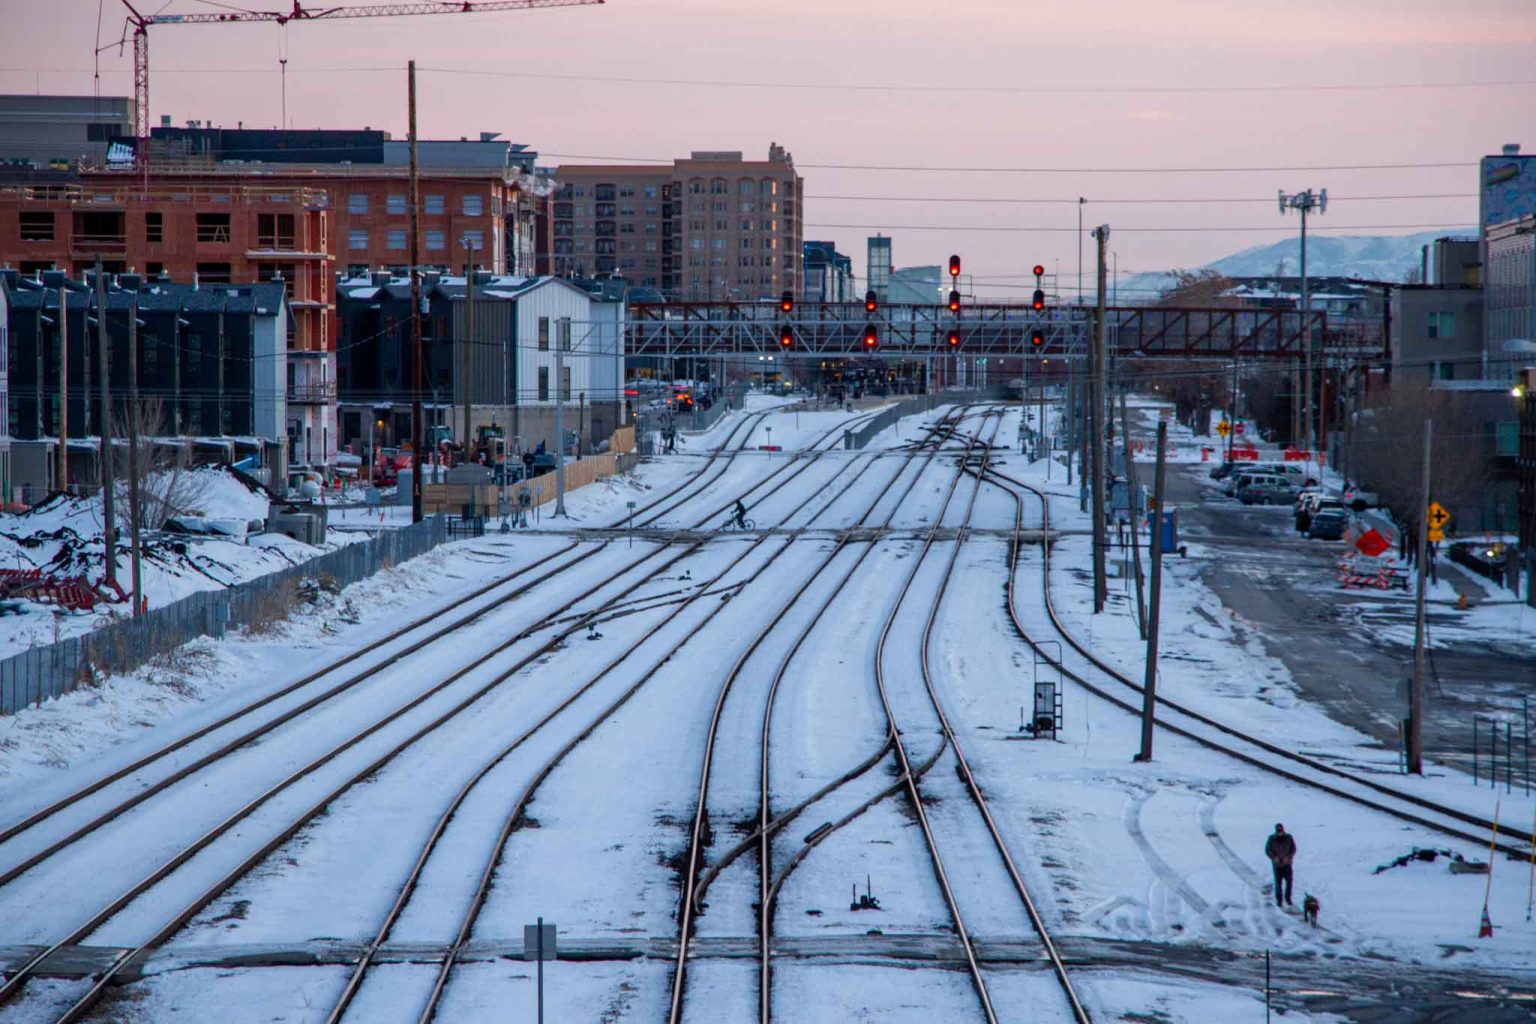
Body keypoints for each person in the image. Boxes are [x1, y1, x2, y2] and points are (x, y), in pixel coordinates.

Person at [1265, 823, 1296, 907]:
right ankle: (1279, 900)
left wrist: (1288, 857)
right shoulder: (1271, 839)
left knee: (1289, 882)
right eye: (1278, 831)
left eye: (1281, 831)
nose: (1280, 833)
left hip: (1287, 864)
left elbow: (1293, 849)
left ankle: (1288, 898)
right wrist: (1274, 857)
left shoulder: (1289, 837)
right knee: (1278, 883)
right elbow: (1267, 850)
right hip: (1277, 865)